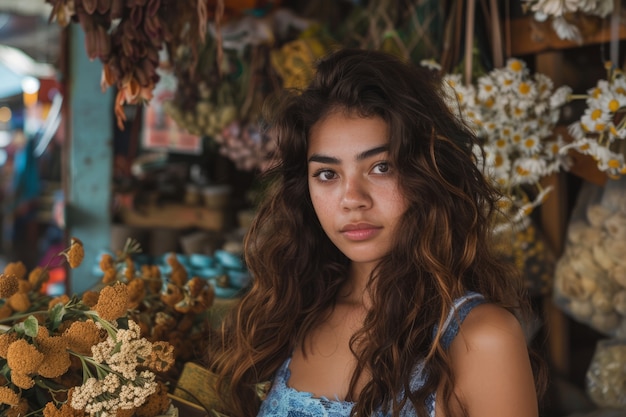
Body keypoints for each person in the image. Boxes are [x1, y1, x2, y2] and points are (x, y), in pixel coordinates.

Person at [207, 48, 546, 417]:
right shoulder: (288, 315)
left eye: (381, 167)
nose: (352, 199)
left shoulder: (479, 340)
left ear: (428, 174)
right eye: (327, 174)